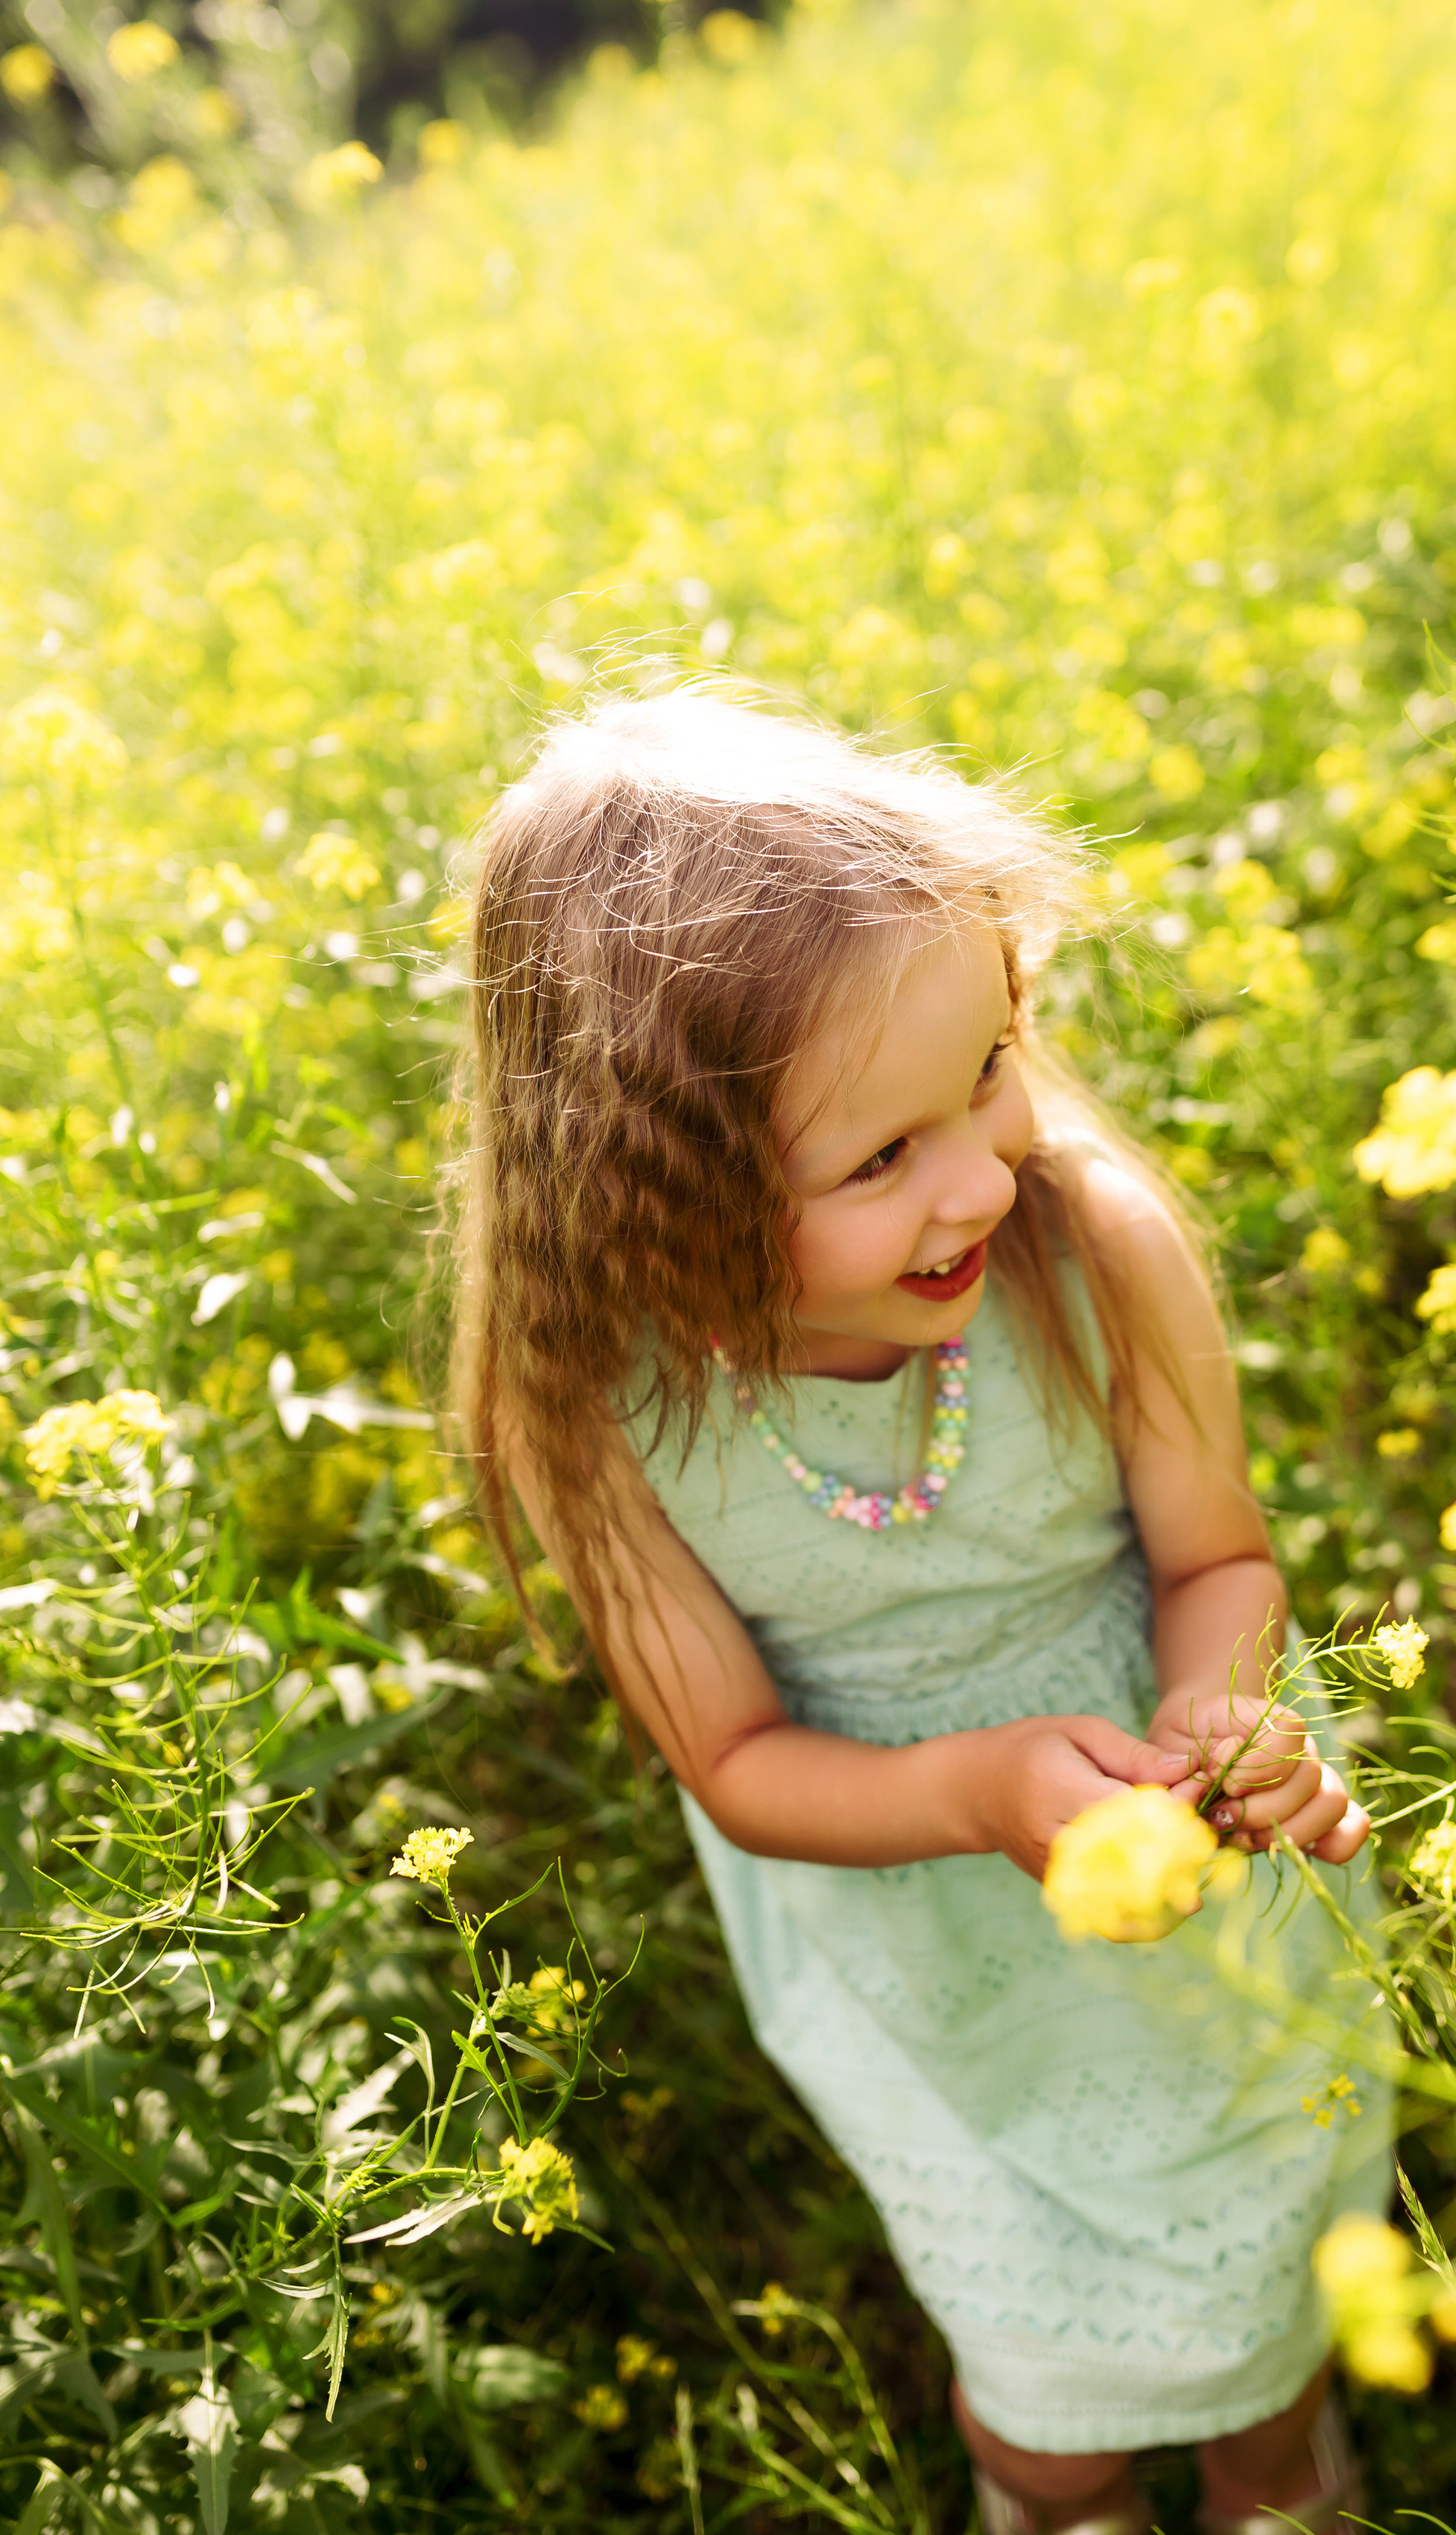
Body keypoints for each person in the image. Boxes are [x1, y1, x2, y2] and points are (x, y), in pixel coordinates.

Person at [452, 689, 1393, 2535]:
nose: (984, 1163)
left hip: (1162, 1795)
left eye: (987, 1065)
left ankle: (1289, 2485)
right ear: (661, 1208)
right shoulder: (590, 1404)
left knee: (1270, 2311)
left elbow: (1216, 1560)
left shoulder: (1086, 1242)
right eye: (878, 1160)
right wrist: (977, 1797)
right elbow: (732, 1758)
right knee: (1041, 2381)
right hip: (910, 1908)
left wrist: (1216, 1726)